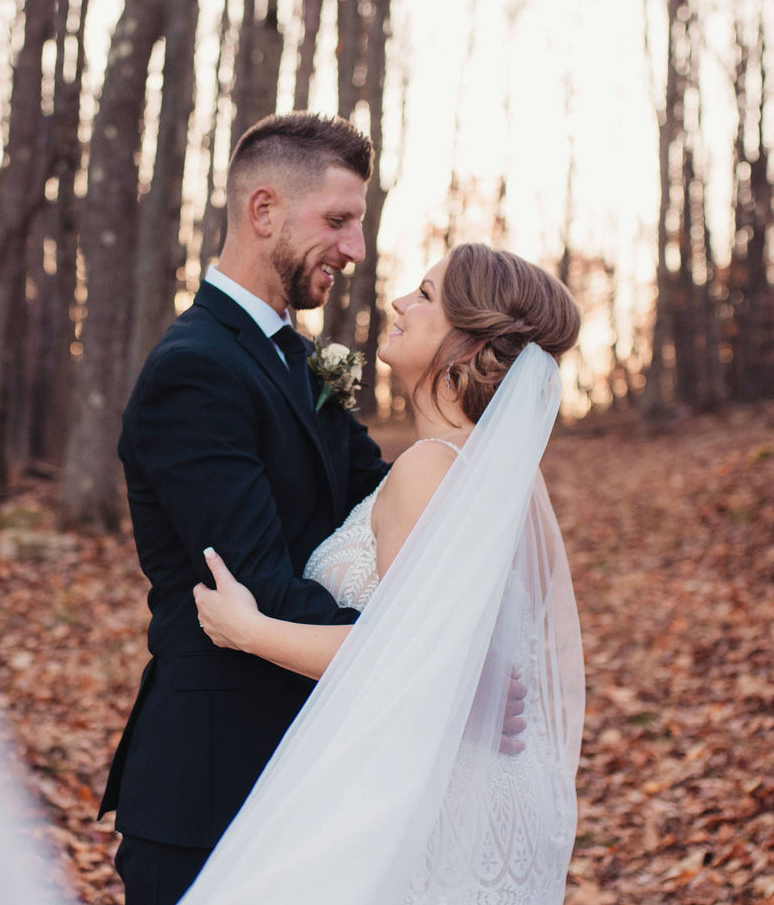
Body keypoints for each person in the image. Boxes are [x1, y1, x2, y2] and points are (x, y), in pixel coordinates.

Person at [184, 242, 585, 904]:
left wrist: (248, 629)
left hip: (421, 801)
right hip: (469, 788)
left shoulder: (429, 469)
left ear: (465, 344)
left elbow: (407, 660)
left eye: (425, 295)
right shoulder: (498, 482)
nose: (400, 302)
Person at [98, 113, 393, 905]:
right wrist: (419, 658)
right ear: (264, 211)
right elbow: (256, 585)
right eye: (338, 220)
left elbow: (383, 498)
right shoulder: (193, 371)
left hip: (305, 767)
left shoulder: (301, 356)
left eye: (357, 224)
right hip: (212, 790)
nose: (356, 249)